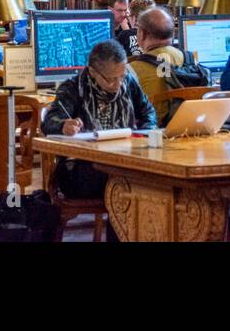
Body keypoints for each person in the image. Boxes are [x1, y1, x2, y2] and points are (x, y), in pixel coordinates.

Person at [41, 40, 156, 239]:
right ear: (93, 72)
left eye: (122, 76)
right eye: (111, 80)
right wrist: (64, 125)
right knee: (126, 185)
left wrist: (144, 133)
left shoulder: (128, 83)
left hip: (125, 160)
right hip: (81, 170)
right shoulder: (73, 88)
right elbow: (49, 121)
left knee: (143, 182)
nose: (118, 84)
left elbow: (149, 113)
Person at [128, 6, 207, 118]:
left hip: (151, 132)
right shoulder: (190, 59)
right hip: (187, 128)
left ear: (142, 34)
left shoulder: (131, 70)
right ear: (172, 34)